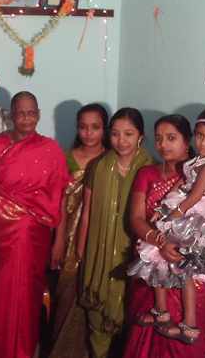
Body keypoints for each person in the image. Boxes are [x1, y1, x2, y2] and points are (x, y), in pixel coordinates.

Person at [0, 91, 70, 358]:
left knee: (27, 301)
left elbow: (60, 198)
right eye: (21, 113)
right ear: (11, 115)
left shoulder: (51, 150)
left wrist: (59, 240)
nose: (26, 118)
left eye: (31, 113)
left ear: (39, 115)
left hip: (36, 242)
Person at [127, 107, 205, 344]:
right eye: (158, 138)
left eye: (171, 138)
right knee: (155, 263)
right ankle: (161, 312)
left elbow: (194, 197)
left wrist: (175, 213)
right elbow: (136, 218)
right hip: (164, 242)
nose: (163, 145)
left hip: (193, 237)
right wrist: (160, 234)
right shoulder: (149, 173)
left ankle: (188, 324)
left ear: (185, 141)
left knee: (188, 274)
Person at [76, 107, 153, 358]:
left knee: (129, 314)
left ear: (140, 136)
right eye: (116, 134)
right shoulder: (98, 166)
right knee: (97, 318)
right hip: (98, 253)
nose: (121, 140)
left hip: (133, 254)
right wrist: (81, 251)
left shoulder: (150, 169)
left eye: (128, 134)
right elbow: (87, 212)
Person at [49, 103, 109, 358]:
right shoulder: (64, 158)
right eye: (83, 127)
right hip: (69, 240)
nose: (89, 133)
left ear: (104, 129)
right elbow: (59, 203)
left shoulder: (112, 160)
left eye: (95, 127)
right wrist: (59, 240)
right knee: (67, 296)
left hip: (102, 239)